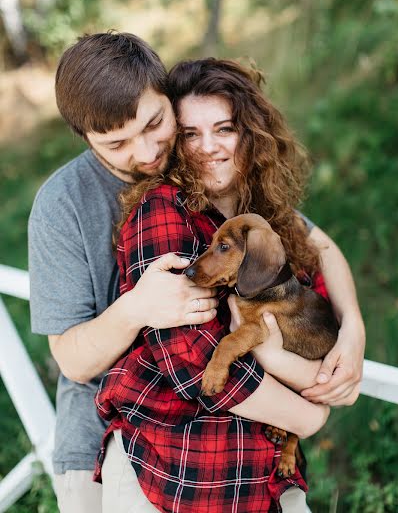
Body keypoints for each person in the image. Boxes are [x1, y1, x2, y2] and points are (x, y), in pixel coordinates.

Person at [94, 58, 365, 513]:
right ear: (174, 143)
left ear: (251, 133)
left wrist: (353, 328)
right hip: (178, 473)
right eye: (190, 134)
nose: (208, 148)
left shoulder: (262, 216)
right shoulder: (163, 211)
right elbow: (190, 362)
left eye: (224, 129)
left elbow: (327, 252)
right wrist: (310, 414)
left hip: (264, 479)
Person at [29, 32, 219, 513]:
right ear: (86, 138)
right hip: (100, 433)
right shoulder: (62, 205)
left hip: (218, 416)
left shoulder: (199, 153)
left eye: (155, 122)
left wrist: (354, 329)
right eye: (117, 143)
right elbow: (73, 360)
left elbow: (305, 237)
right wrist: (137, 308)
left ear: (165, 95)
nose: (147, 152)